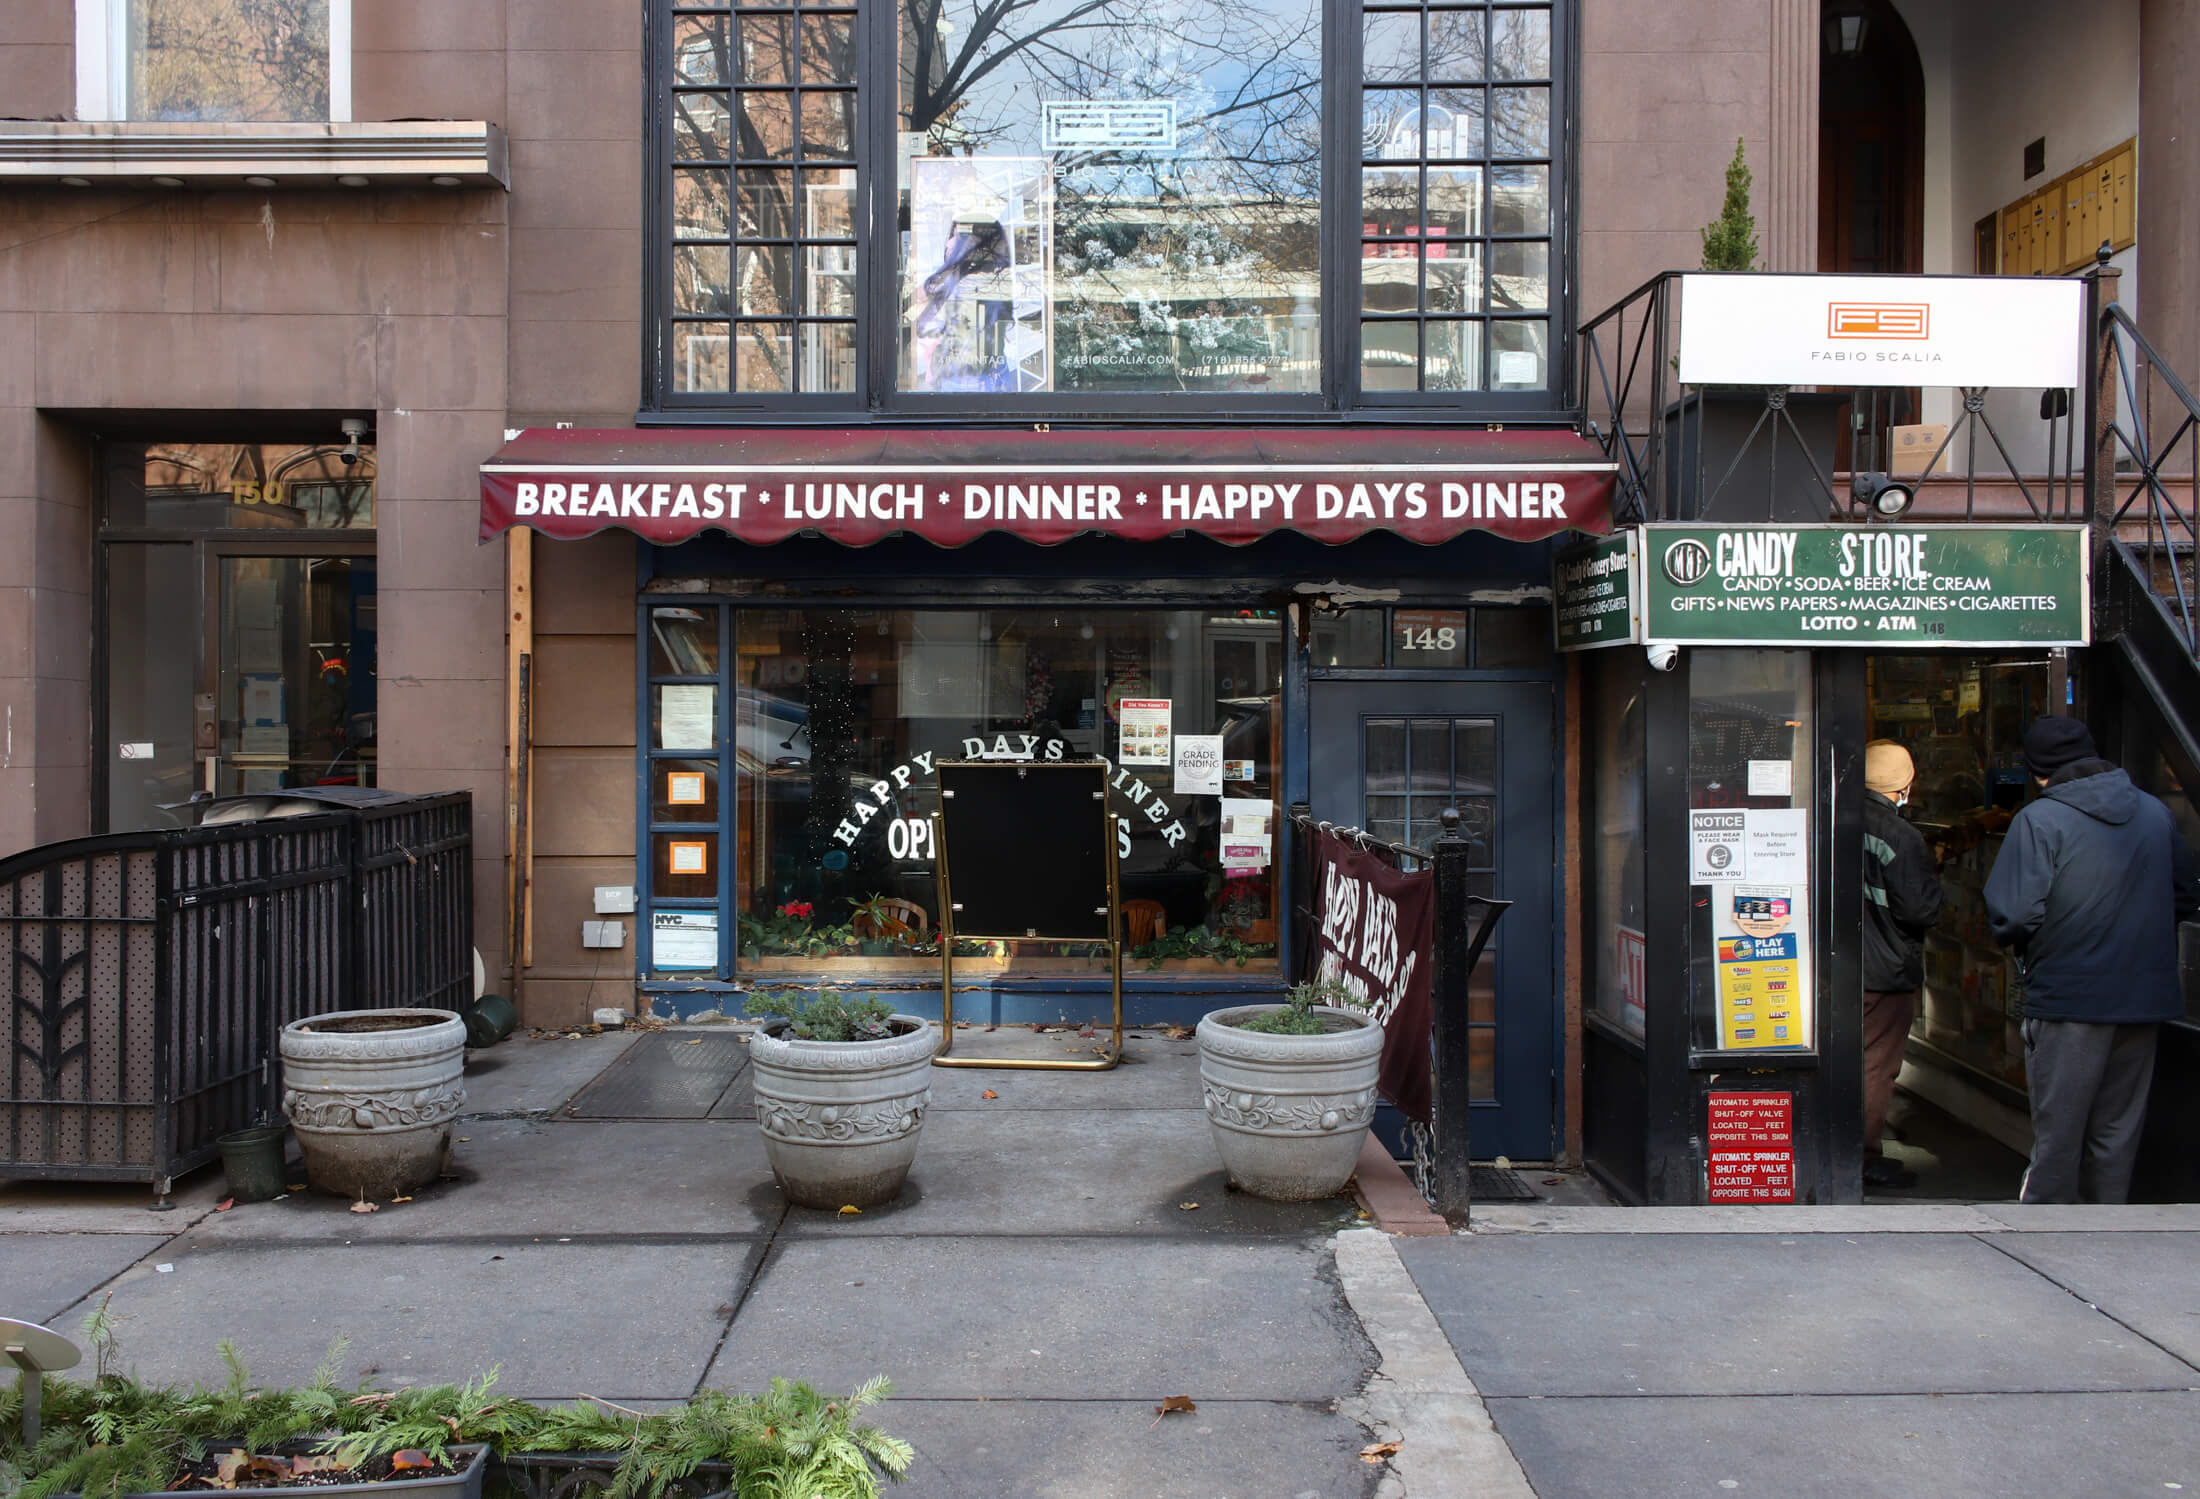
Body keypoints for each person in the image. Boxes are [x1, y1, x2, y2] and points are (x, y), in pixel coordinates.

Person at [1984, 717, 2199, 1204]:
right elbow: (2184, 895)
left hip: (2069, 999)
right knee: (2117, 1133)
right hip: (2144, 1000)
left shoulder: (2039, 820)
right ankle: (2109, 1233)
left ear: (2039, 771)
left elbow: (2014, 913)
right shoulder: (2154, 812)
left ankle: (2047, 1238)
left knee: (2058, 1135)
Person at [1860, 740, 1945, 1189]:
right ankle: (1862, 1155)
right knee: (1875, 1065)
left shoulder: (1833, 818)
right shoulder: (1900, 836)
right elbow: (1919, 910)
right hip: (1884, 971)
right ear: (1905, 785)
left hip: (1837, 968)